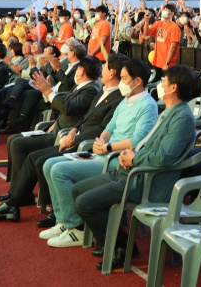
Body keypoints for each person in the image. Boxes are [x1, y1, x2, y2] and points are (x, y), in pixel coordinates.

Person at [71, 65, 199, 269]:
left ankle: (120, 245)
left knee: (85, 203)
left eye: (164, 80)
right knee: (78, 190)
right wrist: (129, 155)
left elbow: (164, 157)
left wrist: (135, 159)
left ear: (173, 87)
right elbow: (148, 146)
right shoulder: (169, 112)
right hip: (132, 173)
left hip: (146, 182)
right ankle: (111, 239)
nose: (161, 83)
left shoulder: (182, 118)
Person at [0, 55, 124, 225]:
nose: (102, 70)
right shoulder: (103, 91)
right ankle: (16, 201)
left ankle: (40, 207)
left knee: (40, 160)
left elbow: (100, 127)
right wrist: (73, 131)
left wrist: (73, 138)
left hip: (85, 144)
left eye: (106, 67)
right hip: (71, 136)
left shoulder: (106, 94)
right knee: (29, 153)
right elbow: (86, 117)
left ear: (113, 73)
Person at [38, 58, 157, 248]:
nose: (121, 83)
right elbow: (109, 128)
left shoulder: (148, 106)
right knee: (49, 164)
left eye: (124, 79)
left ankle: (76, 227)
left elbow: (137, 140)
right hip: (103, 152)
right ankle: (63, 221)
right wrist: (101, 141)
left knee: (59, 171)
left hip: (116, 159)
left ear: (137, 82)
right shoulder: (126, 101)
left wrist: (108, 148)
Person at [143, 4, 182, 72]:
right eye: (164, 9)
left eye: (167, 10)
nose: (164, 11)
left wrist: (167, 63)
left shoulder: (174, 27)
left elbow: (173, 47)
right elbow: (147, 33)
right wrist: (146, 21)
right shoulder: (158, 23)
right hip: (157, 61)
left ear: (172, 14)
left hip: (168, 63)